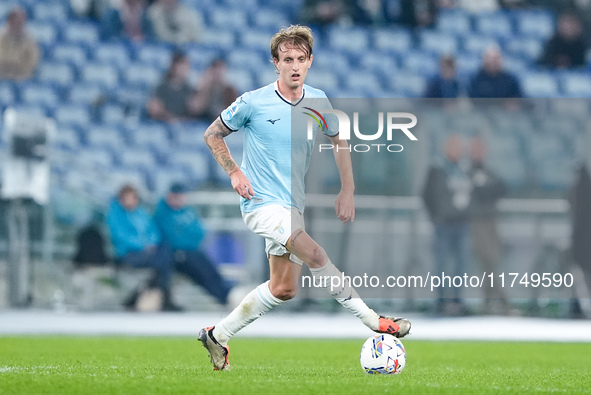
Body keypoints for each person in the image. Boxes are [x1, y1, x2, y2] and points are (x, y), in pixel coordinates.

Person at [199, 25, 411, 371]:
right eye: (287, 59)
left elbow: (339, 141)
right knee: (316, 253)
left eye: (300, 59)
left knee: (283, 288)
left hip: (291, 206)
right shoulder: (254, 101)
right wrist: (235, 172)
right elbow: (212, 134)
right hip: (261, 204)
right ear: (275, 63)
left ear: (310, 61)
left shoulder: (318, 100)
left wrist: (348, 189)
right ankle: (375, 321)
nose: (294, 65)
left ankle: (217, 335)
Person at [153, 183, 233, 306]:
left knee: (208, 267)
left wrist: (187, 239)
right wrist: (186, 240)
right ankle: (224, 296)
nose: (178, 199)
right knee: (200, 271)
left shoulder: (188, 211)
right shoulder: (162, 213)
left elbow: (199, 232)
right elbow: (172, 237)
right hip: (174, 254)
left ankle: (226, 292)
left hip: (192, 250)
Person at [106, 184, 181, 311]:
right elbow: (121, 237)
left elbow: (153, 232)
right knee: (165, 260)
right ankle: (161, 294)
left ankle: (149, 293)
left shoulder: (141, 213)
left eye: (132, 198)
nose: (129, 201)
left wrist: (150, 244)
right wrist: (144, 245)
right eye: (126, 198)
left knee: (165, 255)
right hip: (127, 254)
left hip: (148, 253)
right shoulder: (115, 215)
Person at [422, 134, 471, 315]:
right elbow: (426, 194)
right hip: (442, 224)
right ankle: (441, 301)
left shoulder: (464, 169)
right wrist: (436, 216)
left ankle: (457, 301)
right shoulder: (437, 168)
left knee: (460, 264)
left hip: (461, 223)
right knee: (441, 263)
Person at [468, 136, 509, 314]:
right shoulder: (468, 171)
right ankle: (495, 300)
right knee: (487, 261)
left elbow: (502, 187)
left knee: (492, 261)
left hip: (490, 220)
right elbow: (476, 192)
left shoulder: (487, 171)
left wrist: (486, 190)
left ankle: (493, 299)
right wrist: (486, 191)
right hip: (477, 221)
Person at [146, 52, 195, 123]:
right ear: (174, 66)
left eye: (186, 66)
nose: (184, 69)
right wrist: (170, 118)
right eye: (181, 66)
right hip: (162, 124)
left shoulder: (188, 89)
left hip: (182, 126)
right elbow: (154, 108)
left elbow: (193, 112)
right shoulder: (161, 86)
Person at [0, 7, 40, 81]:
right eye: (16, 20)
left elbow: (32, 62)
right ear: (10, 21)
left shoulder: (30, 41)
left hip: (22, 78)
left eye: (21, 21)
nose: (19, 24)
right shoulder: (1, 37)